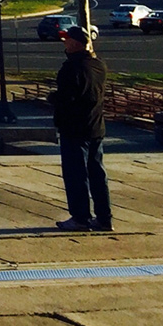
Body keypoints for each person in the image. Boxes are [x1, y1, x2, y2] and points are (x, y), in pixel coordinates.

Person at [50, 23, 111, 231]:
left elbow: (67, 98)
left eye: (67, 40)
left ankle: (80, 218)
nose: (64, 43)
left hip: (74, 129)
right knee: (97, 173)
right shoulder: (99, 66)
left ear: (76, 44)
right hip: (96, 126)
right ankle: (104, 217)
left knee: (76, 175)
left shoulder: (71, 69)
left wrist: (53, 99)